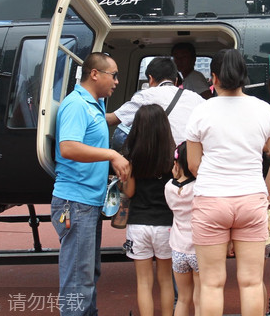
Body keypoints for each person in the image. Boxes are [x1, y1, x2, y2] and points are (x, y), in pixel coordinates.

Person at [185, 48, 270, 316]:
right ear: (244, 76)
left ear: (214, 77)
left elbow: (194, 164)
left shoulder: (201, 110)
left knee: (211, 284)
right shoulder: (265, 110)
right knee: (252, 282)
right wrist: (265, 192)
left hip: (211, 200)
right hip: (251, 199)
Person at [51, 52, 131, 316]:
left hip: (87, 202)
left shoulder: (93, 104)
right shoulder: (76, 105)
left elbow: (103, 123)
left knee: (86, 274)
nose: (116, 82)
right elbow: (69, 147)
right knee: (78, 278)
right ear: (95, 74)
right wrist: (112, 154)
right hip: (76, 202)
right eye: (114, 75)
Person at [121, 104, 175, 316]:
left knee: (144, 282)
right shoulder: (172, 159)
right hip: (166, 225)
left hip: (138, 224)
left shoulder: (132, 159)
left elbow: (130, 193)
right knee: (165, 280)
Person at [106, 57, 205, 147]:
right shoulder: (197, 98)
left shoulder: (146, 95)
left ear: (151, 79)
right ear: (175, 80)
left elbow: (111, 120)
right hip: (189, 158)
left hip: (162, 159)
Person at [164, 141, 200, 316]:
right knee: (200, 299)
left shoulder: (168, 187)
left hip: (178, 250)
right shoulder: (199, 188)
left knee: (183, 299)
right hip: (198, 249)